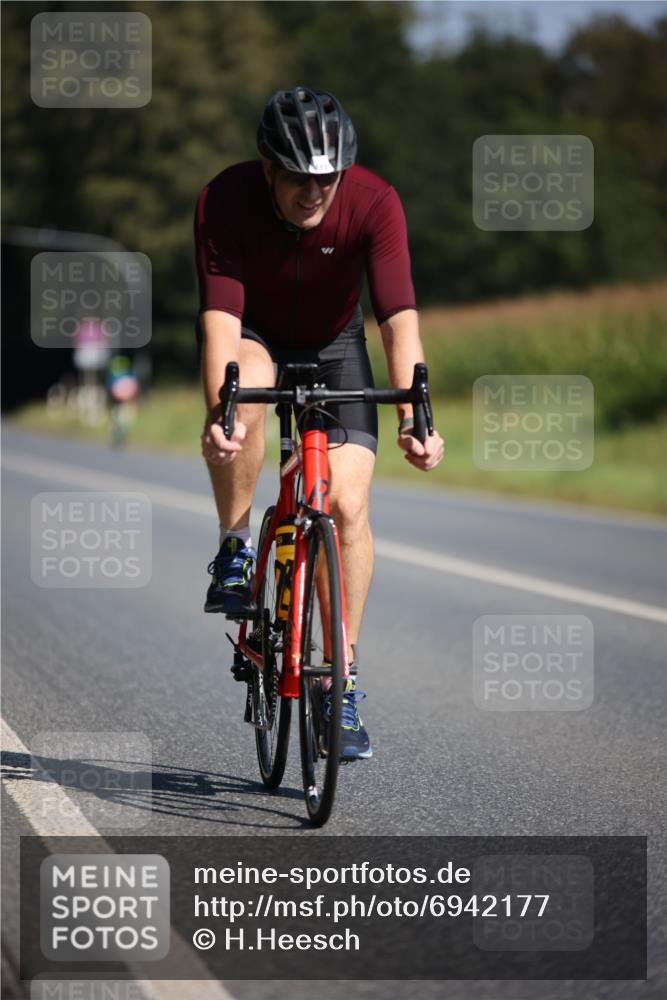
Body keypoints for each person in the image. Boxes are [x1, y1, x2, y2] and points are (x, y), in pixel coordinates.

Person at [194, 86, 444, 761]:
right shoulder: (225, 199)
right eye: (300, 178)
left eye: (327, 178)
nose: (315, 192)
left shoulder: (373, 201)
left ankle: (339, 682)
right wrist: (223, 411)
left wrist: (413, 416)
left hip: (336, 350)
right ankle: (235, 547)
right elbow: (218, 318)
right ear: (268, 167)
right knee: (245, 391)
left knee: (346, 503)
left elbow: (397, 317)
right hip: (256, 336)